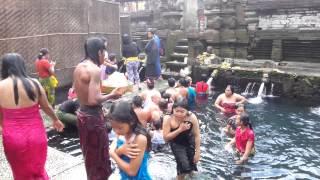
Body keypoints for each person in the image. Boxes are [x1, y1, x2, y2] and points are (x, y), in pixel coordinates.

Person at [0, 53, 64, 179]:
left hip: (13, 137)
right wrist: (55, 119)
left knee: (20, 173)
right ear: (22, 66)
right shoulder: (34, 83)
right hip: (36, 135)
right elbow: (46, 107)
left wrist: (3, 127)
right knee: (38, 170)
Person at [73, 37, 125, 179]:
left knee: (89, 153)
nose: (105, 55)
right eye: (104, 51)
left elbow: (82, 94)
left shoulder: (79, 66)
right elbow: (93, 99)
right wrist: (112, 95)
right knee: (99, 155)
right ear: (99, 52)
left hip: (82, 114)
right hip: (93, 117)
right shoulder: (95, 70)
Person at [109, 100, 151, 180]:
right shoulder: (120, 133)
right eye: (113, 128)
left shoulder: (139, 138)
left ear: (131, 121)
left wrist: (113, 154)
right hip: (124, 176)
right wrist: (120, 151)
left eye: (119, 128)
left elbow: (132, 171)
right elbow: (115, 152)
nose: (116, 131)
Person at [163, 98, 201, 180]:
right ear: (173, 110)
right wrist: (180, 130)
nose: (179, 114)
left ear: (187, 111)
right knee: (183, 167)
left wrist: (198, 152)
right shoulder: (168, 118)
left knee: (192, 164)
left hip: (189, 142)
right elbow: (165, 138)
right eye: (177, 111)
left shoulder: (192, 117)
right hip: (176, 143)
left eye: (182, 111)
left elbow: (197, 135)